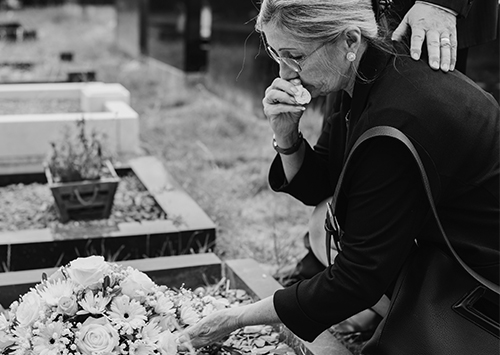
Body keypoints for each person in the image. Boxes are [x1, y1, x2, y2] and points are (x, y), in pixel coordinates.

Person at [180, 0, 499, 351]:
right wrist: (286, 135)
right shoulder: (364, 72)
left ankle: (423, 322)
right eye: (275, 54)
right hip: (444, 244)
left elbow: (356, 278)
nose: (285, 74)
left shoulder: (397, 116)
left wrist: (235, 318)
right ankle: (393, 311)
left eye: (295, 56)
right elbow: (319, 186)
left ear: (348, 40)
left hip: (481, 281)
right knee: (327, 220)